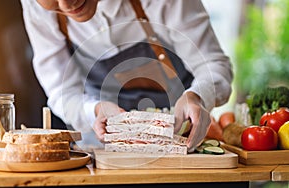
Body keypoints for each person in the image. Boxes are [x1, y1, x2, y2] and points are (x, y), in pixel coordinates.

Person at [20, 0, 233, 151]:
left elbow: (213, 64)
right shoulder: (35, 7)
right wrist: (94, 111)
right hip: (100, 147)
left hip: (179, 140)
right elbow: (60, 90)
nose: (67, 5)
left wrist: (197, 96)